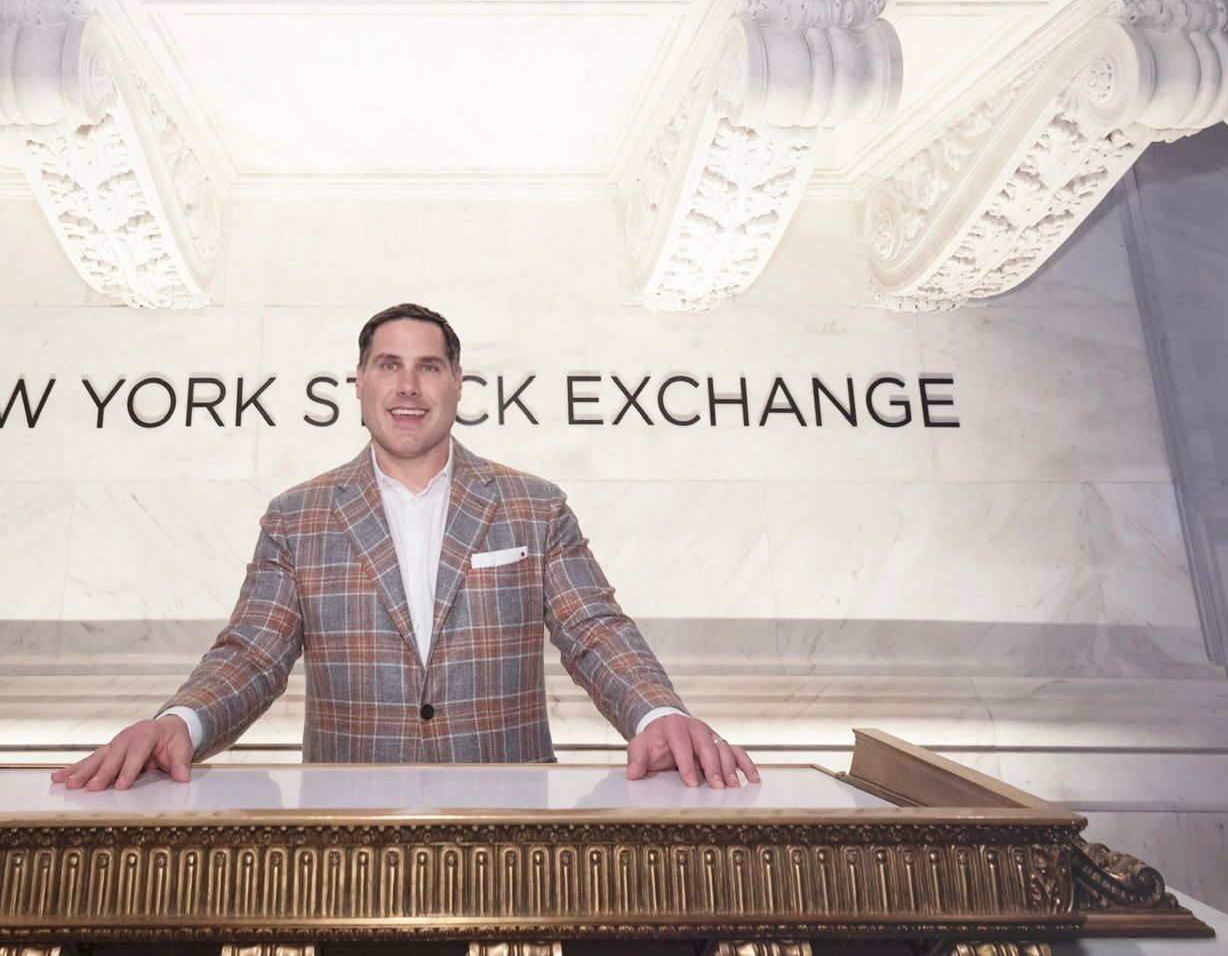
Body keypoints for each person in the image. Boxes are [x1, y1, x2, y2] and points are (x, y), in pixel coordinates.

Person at [53, 302, 759, 792]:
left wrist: (659, 714)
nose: (408, 386)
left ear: (457, 383)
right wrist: (180, 720)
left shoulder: (534, 505)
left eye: (429, 366)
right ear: (359, 383)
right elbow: (253, 654)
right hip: (351, 838)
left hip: (512, 830)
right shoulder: (296, 518)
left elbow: (595, 630)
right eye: (389, 365)